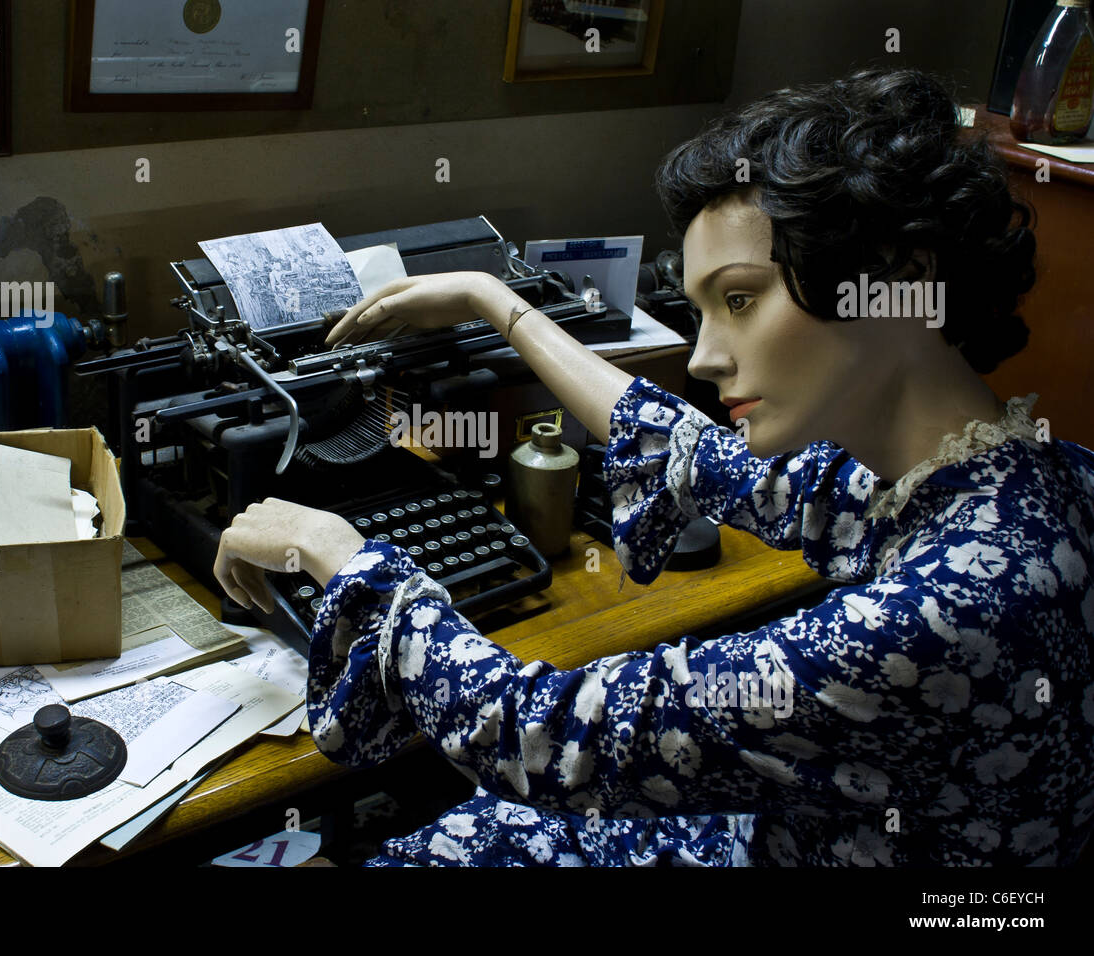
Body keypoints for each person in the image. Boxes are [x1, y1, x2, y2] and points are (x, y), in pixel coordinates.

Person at [213, 67, 1094, 865]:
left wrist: (343, 555)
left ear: (902, 277)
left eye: (740, 300)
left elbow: (545, 740)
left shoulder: (945, 613)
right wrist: (497, 305)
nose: (705, 357)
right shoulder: (1022, 481)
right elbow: (688, 447)